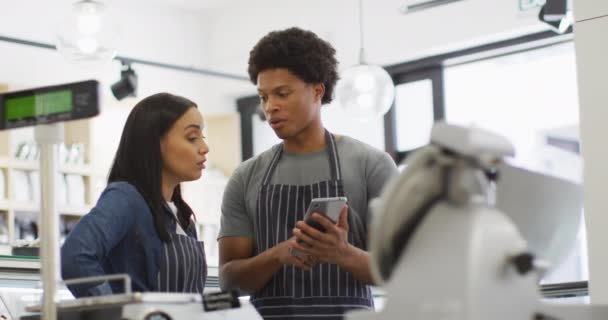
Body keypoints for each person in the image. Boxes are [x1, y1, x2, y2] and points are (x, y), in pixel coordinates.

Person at [218, 27, 398, 319]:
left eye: (282, 93)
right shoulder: (246, 177)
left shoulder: (371, 165)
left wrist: (342, 253)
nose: (270, 107)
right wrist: (278, 255)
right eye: (263, 97)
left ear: (318, 90)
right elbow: (229, 281)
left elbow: (396, 271)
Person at [61, 93, 210, 297]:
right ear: (155, 143)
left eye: (202, 137)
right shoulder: (126, 199)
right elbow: (75, 256)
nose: (204, 148)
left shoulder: (183, 217)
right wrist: (115, 311)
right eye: (192, 138)